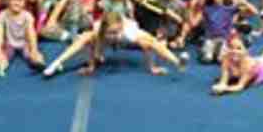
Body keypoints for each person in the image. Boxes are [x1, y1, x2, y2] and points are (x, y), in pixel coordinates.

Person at [42, 12, 189, 78]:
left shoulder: (129, 31)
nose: (114, 34)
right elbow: (91, 46)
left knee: (149, 42)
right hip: (104, 41)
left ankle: (177, 62)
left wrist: (152, 67)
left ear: (121, 27)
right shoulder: (98, 29)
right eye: (111, 32)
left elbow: (151, 46)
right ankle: (56, 63)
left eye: (116, 32)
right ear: (105, 29)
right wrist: (91, 66)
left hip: (126, 42)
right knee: (84, 38)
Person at [189, 0, 257, 63]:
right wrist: (191, 9)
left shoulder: (230, 7)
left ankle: (240, 42)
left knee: (221, 59)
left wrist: (245, 3)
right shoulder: (206, 8)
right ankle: (210, 49)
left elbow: (254, 12)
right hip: (210, 40)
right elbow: (193, 23)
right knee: (207, 59)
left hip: (225, 39)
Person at [0, 0, 46, 77]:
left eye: (20, 0)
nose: (17, 3)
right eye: (14, 0)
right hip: (9, 44)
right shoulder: (2, 16)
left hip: (25, 43)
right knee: (3, 57)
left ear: (24, 3)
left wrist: (34, 50)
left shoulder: (27, 16)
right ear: (9, 1)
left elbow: (31, 34)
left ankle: (39, 63)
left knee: (35, 55)